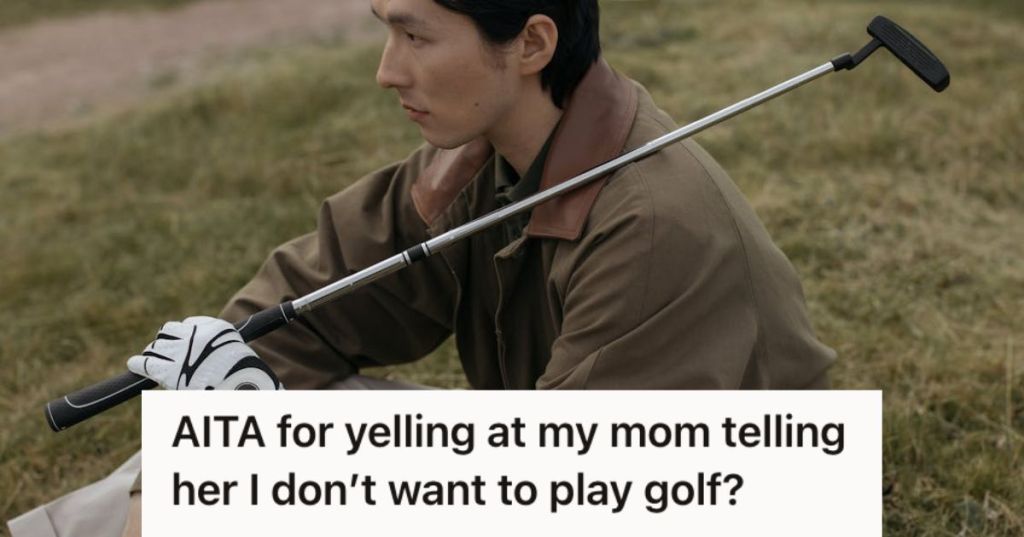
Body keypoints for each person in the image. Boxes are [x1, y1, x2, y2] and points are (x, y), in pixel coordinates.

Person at [8, 1, 835, 535]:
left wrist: (266, 468)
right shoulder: (484, 160)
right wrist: (230, 389)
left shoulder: (652, 225)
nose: (386, 68)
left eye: (415, 35)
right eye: (384, 29)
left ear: (532, 44)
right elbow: (318, 302)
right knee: (245, 433)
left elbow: (573, 492)